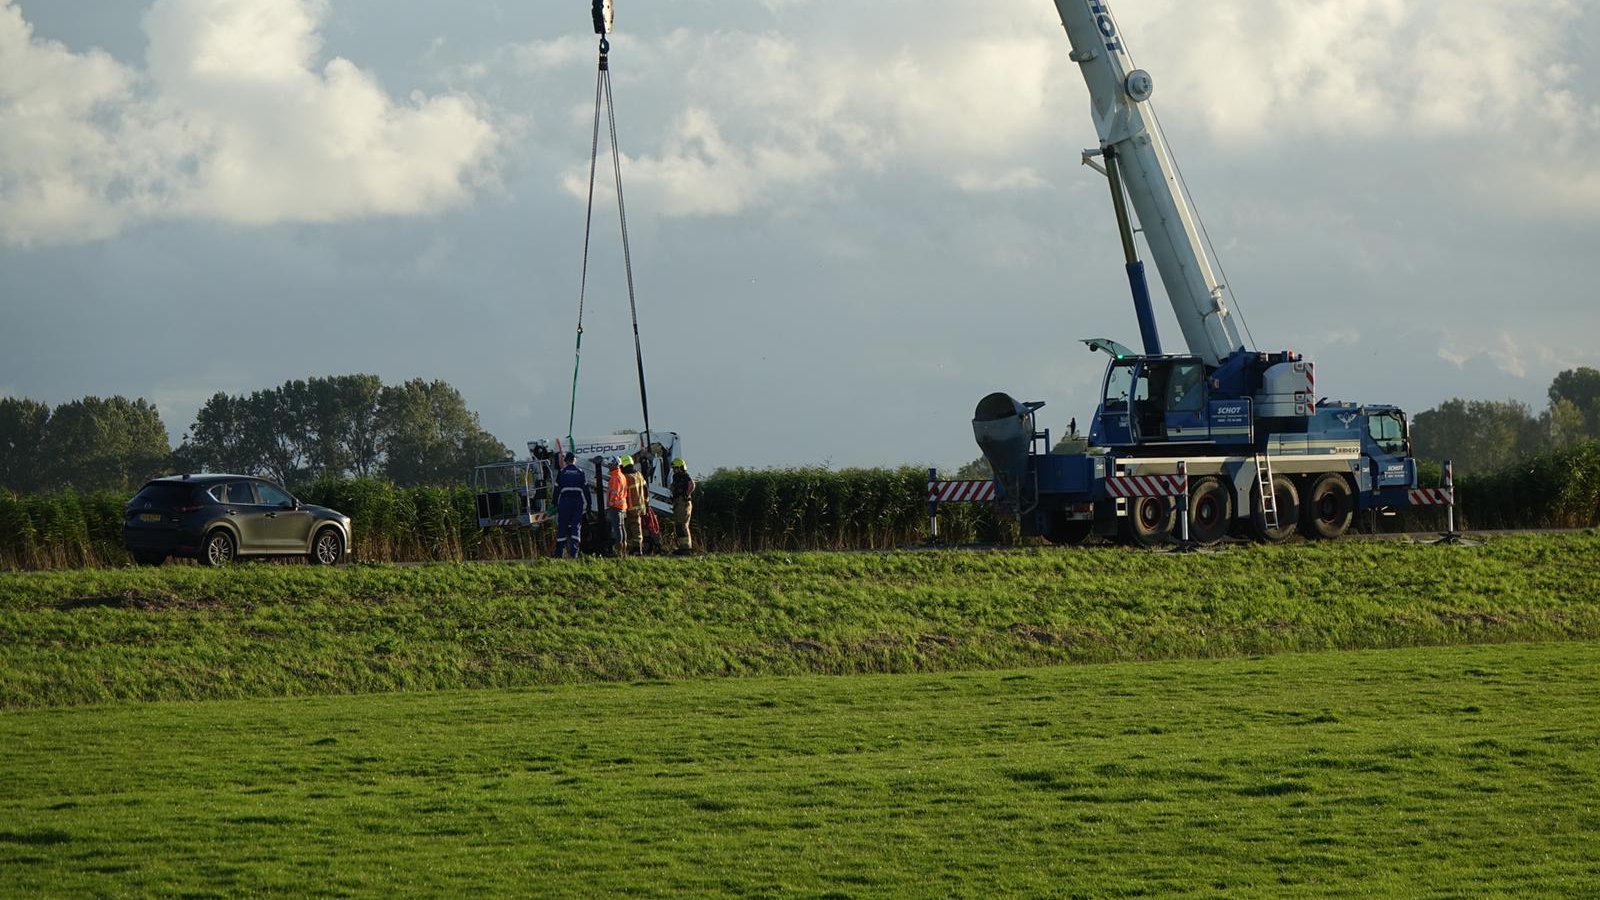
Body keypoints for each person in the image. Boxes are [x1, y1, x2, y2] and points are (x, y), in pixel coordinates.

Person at [553, 451, 588, 559]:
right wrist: (589, 504)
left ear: (566, 461)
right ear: (574, 460)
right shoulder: (580, 472)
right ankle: (574, 553)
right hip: (577, 502)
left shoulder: (562, 472)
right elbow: (585, 490)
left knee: (562, 527)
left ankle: (559, 553)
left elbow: (556, 490)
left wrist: (554, 503)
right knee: (575, 527)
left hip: (564, 502)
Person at [624, 456, 648, 556]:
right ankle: (635, 549)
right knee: (636, 529)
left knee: (631, 529)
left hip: (630, 507)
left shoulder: (626, 477)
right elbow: (646, 490)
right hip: (640, 506)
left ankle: (636, 550)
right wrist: (646, 503)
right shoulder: (639, 475)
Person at [670, 457, 695, 553]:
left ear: (680, 467)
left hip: (683, 502)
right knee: (679, 525)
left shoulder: (684, 476)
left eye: (675, 468)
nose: (674, 470)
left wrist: (686, 495)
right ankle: (683, 547)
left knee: (682, 525)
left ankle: (686, 548)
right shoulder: (677, 477)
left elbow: (692, 484)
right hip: (678, 502)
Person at [607, 455, 629, 557]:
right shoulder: (622, 475)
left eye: (610, 464)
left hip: (616, 506)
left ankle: (619, 552)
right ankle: (623, 551)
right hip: (622, 506)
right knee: (622, 527)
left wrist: (610, 503)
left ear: (615, 465)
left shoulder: (615, 477)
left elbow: (614, 493)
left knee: (618, 528)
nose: (609, 466)